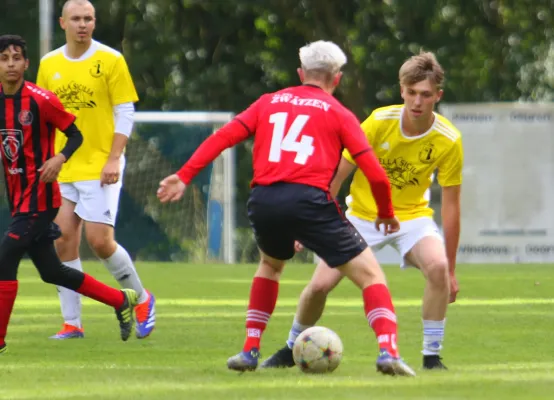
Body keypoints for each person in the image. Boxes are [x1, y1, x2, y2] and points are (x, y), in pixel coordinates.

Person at [157, 40, 416, 376]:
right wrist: (385, 212)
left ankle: (250, 350)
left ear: (300, 73)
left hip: (264, 201)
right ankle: (388, 352)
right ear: (336, 79)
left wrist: (184, 175)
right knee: (370, 276)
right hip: (309, 200)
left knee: (270, 265)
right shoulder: (339, 113)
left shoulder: (268, 103)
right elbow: (377, 177)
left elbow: (223, 137)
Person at [261, 51, 463, 371]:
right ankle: (290, 348)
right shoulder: (379, 123)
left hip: (411, 218)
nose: (417, 101)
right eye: (411, 93)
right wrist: (307, 224)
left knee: (437, 268)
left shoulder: (449, 140)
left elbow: (452, 208)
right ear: (402, 91)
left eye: (426, 94)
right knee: (319, 286)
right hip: (362, 217)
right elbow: (337, 176)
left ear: (437, 96)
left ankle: (431, 356)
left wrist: (451, 270)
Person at [0, 34, 138, 353]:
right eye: (4, 58)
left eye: (16, 57)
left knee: (5, 258)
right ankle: (121, 300)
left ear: (26, 63)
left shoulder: (40, 100)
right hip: (19, 200)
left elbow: (75, 135)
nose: (10, 64)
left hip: (42, 199)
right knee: (52, 272)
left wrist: (59, 158)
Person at [36, 0, 155, 340]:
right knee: (62, 242)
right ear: (63, 23)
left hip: (100, 164)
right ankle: (72, 323)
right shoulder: (49, 64)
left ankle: (143, 300)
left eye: (88, 18)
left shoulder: (110, 60)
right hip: (62, 166)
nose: (82, 24)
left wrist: (114, 157)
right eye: (76, 19)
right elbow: (46, 115)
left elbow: (125, 112)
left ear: (94, 22)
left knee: (100, 241)